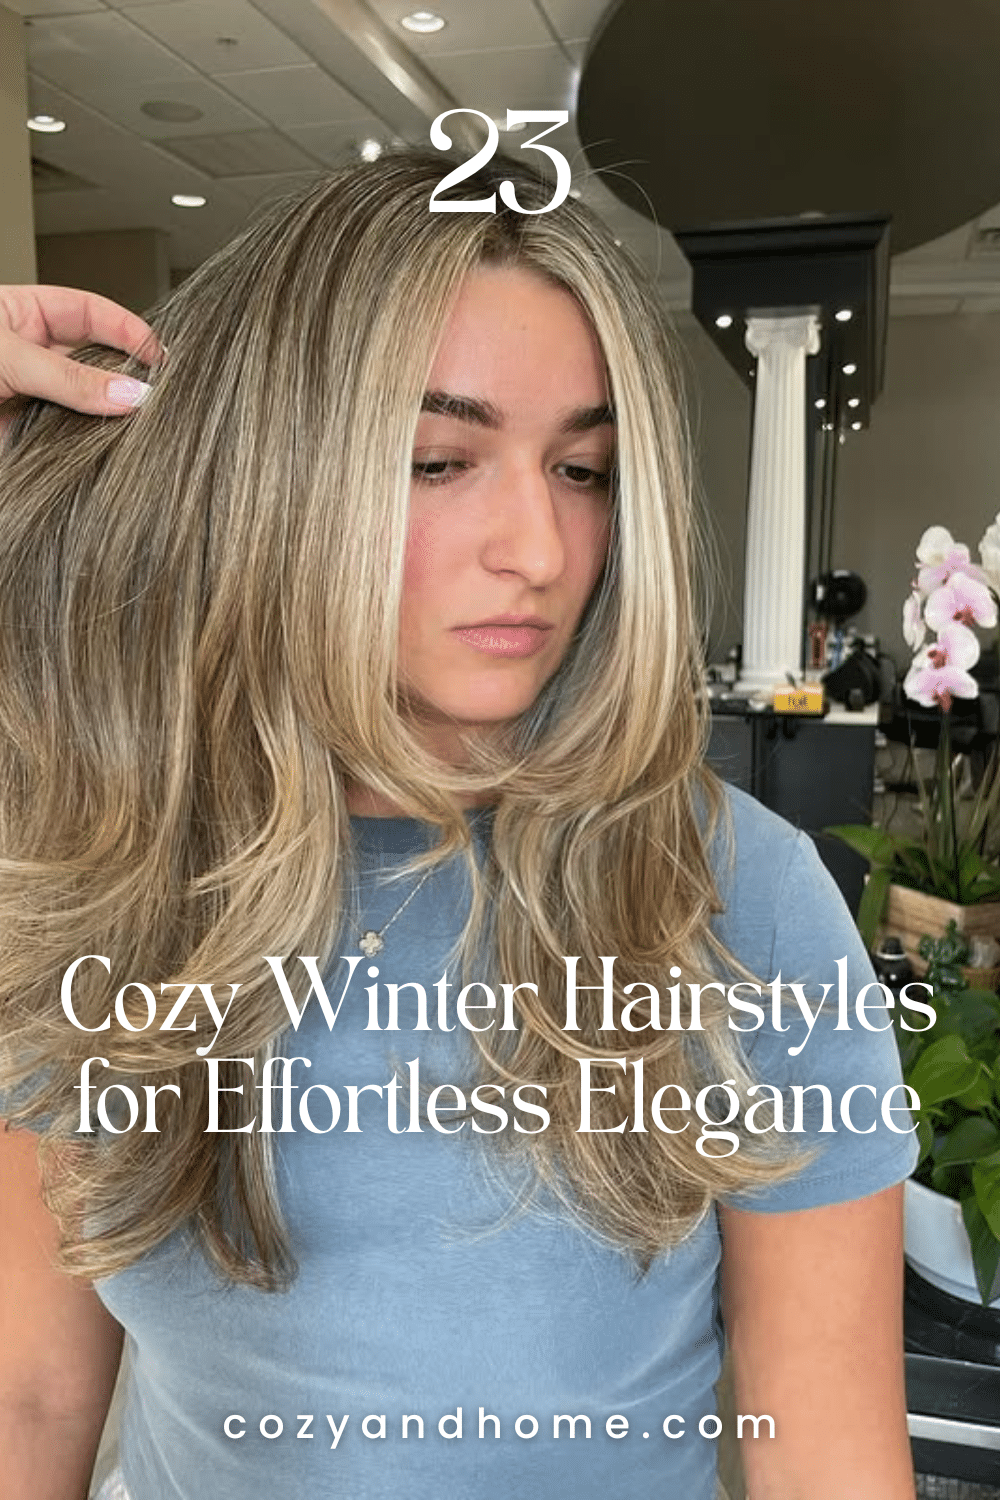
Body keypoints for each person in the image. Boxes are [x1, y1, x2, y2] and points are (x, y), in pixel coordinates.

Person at [0, 152, 918, 1500]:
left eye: (585, 469)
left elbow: (826, 1448)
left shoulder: (738, 894)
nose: (539, 550)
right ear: (262, 481)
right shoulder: (98, 869)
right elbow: (28, 1396)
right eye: (439, 461)